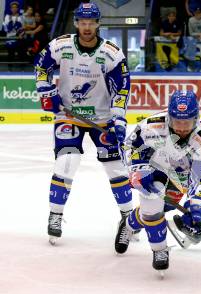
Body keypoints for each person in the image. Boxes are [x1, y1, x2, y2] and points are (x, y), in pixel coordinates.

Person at [34, 2, 133, 245]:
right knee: (67, 161)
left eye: (91, 23)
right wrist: (46, 92)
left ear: (98, 23)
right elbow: (41, 67)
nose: (87, 27)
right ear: (76, 22)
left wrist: (118, 119)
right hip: (68, 116)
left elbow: (122, 88)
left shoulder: (111, 52)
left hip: (102, 119)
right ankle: (55, 215)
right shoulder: (61, 45)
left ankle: (130, 219)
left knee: (116, 169)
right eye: (82, 22)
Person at [114, 90, 201, 272]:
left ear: (196, 119)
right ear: (169, 117)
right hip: (153, 167)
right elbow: (129, 146)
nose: (181, 127)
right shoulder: (151, 125)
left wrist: (197, 204)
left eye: (186, 123)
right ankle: (160, 249)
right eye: (176, 122)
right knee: (152, 208)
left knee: (164, 209)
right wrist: (138, 170)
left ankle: (129, 224)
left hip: (181, 176)